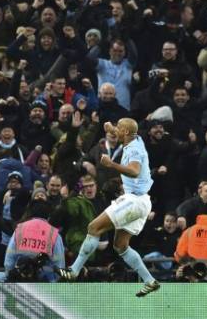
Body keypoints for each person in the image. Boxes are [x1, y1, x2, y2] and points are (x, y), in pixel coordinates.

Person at [57, 118, 160, 297]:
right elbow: (125, 132)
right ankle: (150, 281)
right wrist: (111, 127)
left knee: (93, 227)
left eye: (118, 129)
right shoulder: (135, 139)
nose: (115, 132)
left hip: (133, 200)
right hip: (142, 200)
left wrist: (111, 164)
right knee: (121, 246)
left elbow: (134, 170)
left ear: (126, 133)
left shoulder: (134, 149)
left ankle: (73, 270)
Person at [5, 199, 65, 282]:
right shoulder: (54, 233)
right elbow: (59, 264)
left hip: (20, 281)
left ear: (31, 213)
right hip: (44, 284)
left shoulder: (20, 229)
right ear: (49, 215)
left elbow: (9, 259)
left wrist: (9, 277)